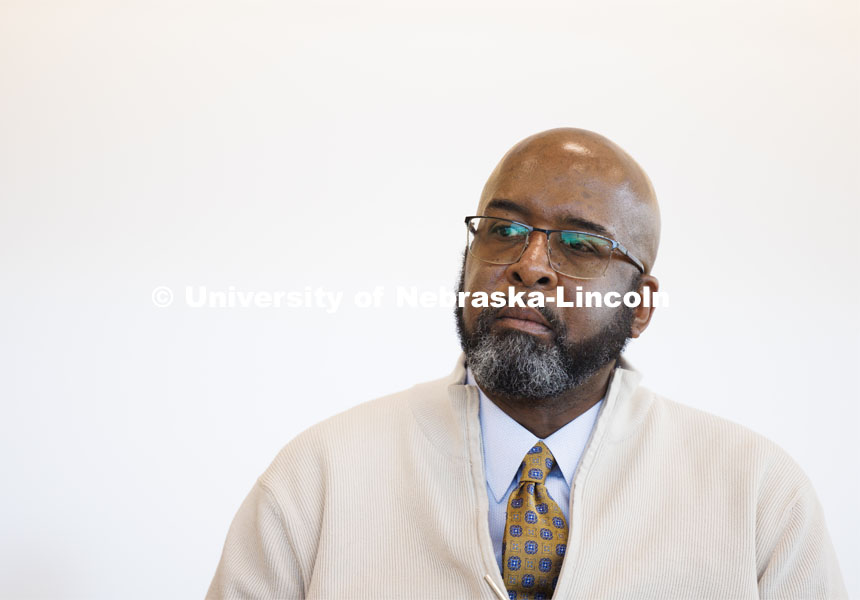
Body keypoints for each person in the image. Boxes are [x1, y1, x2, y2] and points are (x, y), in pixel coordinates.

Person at [206, 128, 846, 600]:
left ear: (641, 307)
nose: (530, 264)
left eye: (580, 243)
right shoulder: (318, 477)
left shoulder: (757, 495)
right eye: (503, 230)